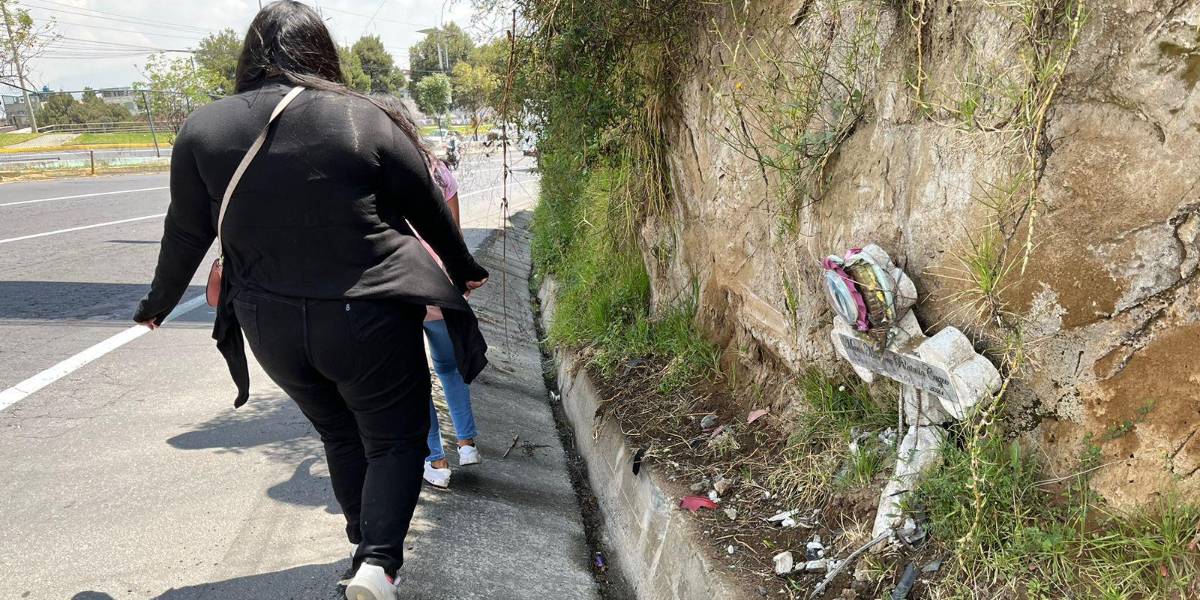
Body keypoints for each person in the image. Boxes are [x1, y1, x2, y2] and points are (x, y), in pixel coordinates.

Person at [132, 3, 488, 599]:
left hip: (268, 323)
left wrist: (157, 303)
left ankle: (360, 549)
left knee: (340, 434)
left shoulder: (203, 129)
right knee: (394, 440)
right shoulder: (362, 119)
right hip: (366, 316)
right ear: (322, 51)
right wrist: (464, 269)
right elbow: (426, 206)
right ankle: (378, 563)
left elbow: (186, 232)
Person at [369, 94, 482, 489]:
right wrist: (458, 280)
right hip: (438, 286)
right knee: (448, 366)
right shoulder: (437, 170)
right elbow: (453, 236)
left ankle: (436, 460)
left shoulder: (372, 172)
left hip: (397, 287)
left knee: (414, 375)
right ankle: (466, 443)